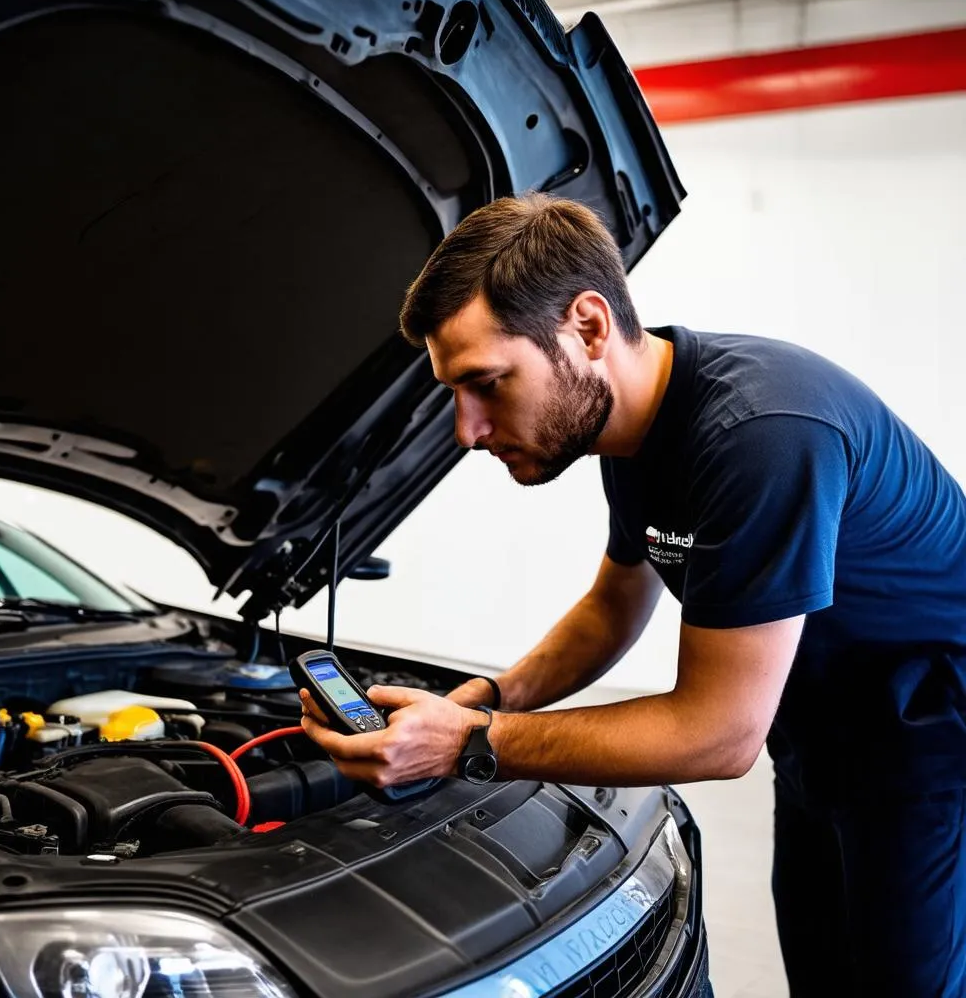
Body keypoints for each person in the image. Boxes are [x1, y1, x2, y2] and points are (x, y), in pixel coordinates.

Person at [299, 192, 966, 997]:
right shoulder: (634, 429)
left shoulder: (761, 434)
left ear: (586, 327)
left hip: (932, 744)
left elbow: (718, 735)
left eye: (487, 383)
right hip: (820, 734)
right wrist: (479, 697)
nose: (466, 429)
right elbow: (611, 610)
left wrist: (474, 742)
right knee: (824, 971)